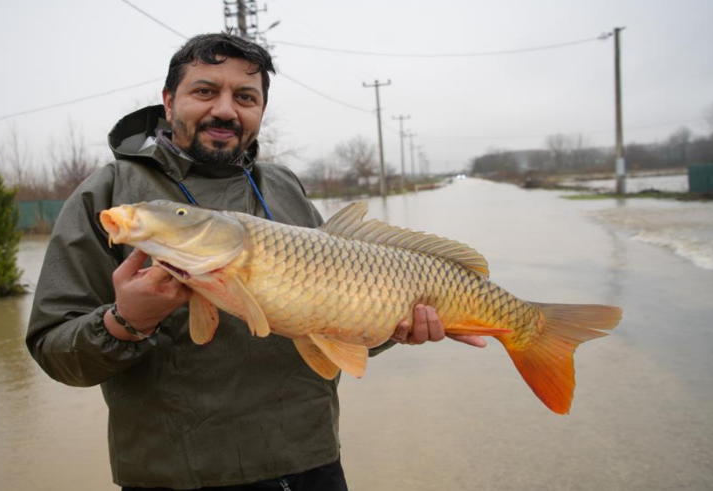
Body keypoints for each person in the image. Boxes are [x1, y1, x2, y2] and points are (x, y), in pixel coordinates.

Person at [26, 33, 485, 491]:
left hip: (311, 464)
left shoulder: (282, 186)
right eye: (205, 91)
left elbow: (334, 320)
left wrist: (393, 327)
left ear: (260, 110)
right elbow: (55, 352)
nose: (225, 110)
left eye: (245, 97)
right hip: (175, 475)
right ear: (168, 102)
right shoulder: (109, 195)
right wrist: (125, 322)